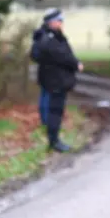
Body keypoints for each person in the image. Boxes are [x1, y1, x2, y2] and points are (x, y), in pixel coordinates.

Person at [29, 8, 83, 153]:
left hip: (53, 80)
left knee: (55, 110)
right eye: (59, 21)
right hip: (55, 80)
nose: (61, 23)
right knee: (55, 111)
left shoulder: (44, 36)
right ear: (52, 22)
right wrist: (76, 63)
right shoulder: (50, 39)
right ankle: (54, 141)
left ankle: (54, 139)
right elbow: (62, 55)